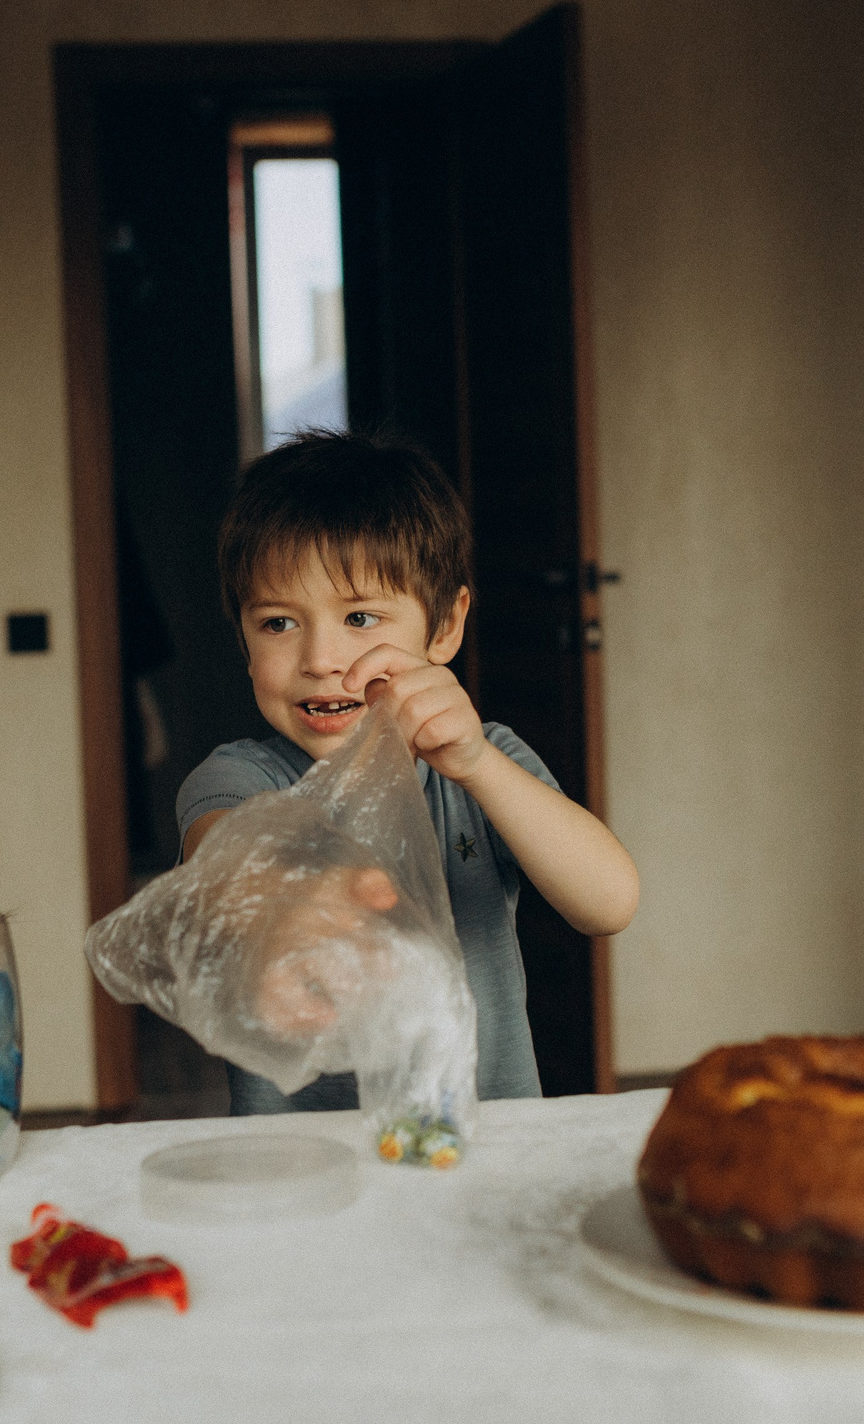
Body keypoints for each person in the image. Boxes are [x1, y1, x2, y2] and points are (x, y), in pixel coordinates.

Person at [177, 431, 638, 1113]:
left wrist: (479, 765)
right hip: (309, 1171)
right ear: (242, 640)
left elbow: (608, 901)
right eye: (278, 623)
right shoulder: (239, 777)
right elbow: (226, 873)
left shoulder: (487, 760)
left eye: (360, 616)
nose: (321, 657)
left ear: (445, 627)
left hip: (481, 1149)